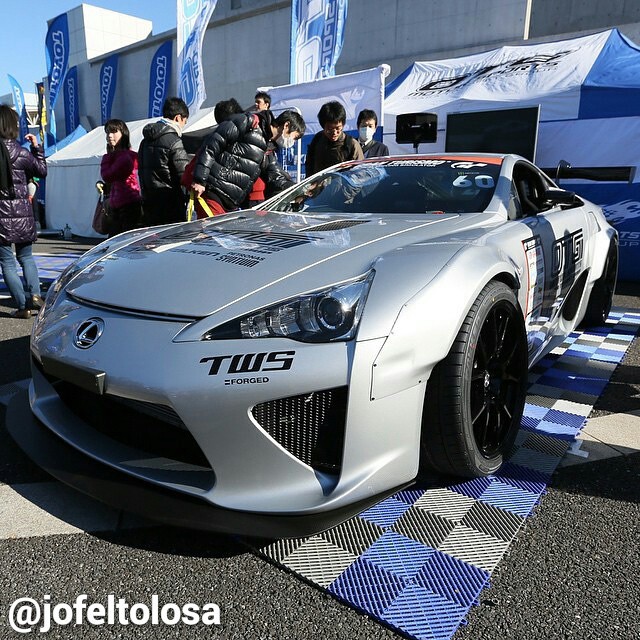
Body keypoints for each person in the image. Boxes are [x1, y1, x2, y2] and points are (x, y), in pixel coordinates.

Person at [189, 109, 305, 214]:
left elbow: (276, 177)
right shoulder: (248, 122)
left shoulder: (268, 148)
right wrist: (200, 179)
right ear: (286, 125)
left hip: (230, 203)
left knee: (217, 236)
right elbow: (212, 144)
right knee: (209, 235)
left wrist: (301, 190)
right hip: (213, 192)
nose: (292, 143)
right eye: (294, 138)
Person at [0, 104, 47, 318]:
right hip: (22, 214)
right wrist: (37, 147)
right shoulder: (21, 152)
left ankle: (22, 307)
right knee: (26, 258)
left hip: (0, 217)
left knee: (7, 262)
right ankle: (35, 295)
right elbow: (41, 171)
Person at [138, 96, 190, 226]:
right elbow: (184, 175)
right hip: (171, 203)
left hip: (149, 202)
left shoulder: (144, 141)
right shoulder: (174, 141)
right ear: (178, 118)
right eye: (184, 121)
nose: (183, 126)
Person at [100, 119, 142, 237]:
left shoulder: (123, 157)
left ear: (123, 134)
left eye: (114, 132)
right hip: (124, 204)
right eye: (107, 132)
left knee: (119, 243)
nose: (109, 136)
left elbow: (107, 176)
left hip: (126, 205)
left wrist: (107, 157)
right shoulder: (128, 155)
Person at [304, 101, 363, 177]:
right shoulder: (317, 140)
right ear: (323, 126)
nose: (334, 133)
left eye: (338, 128)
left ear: (343, 125)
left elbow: (360, 175)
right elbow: (309, 166)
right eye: (330, 129)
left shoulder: (352, 145)